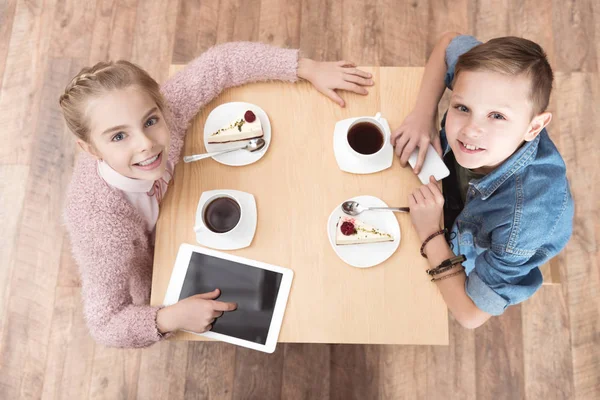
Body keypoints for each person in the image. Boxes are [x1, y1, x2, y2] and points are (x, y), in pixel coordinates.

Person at [61, 42, 374, 347]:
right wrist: (169, 318)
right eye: (118, 136)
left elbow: (221, 64)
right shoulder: (97, 224)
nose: (146, 143)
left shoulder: (166, 110)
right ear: (90, 149)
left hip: (191, 213)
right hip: (164, 271)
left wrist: (306, 68)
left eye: (150, 121)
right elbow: (105, 324)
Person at [391, 33, 574, 328]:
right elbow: (448, 40)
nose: (470, 131)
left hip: (482, 246)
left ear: (535, 126)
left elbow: (471, 315)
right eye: (462, 108)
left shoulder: (524, 223)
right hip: (446, 198)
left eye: (497, 116)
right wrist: (423, 115)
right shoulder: (485, 76)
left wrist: (431, 233)